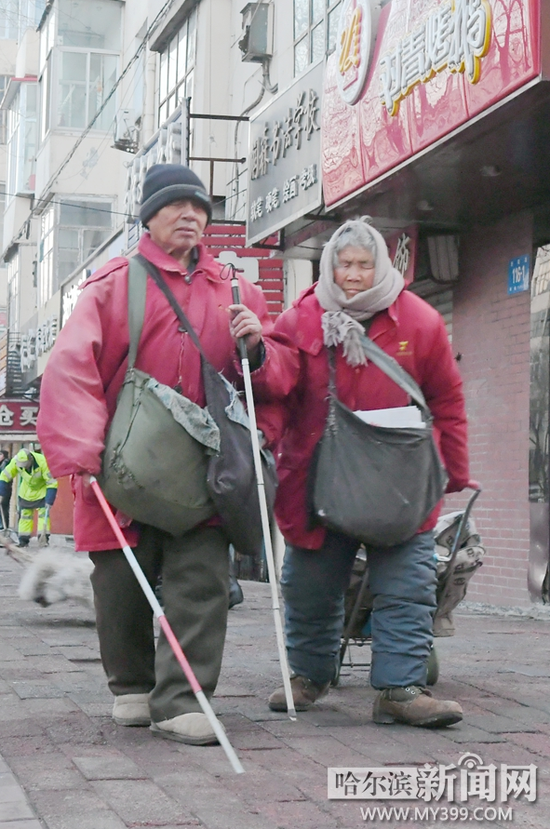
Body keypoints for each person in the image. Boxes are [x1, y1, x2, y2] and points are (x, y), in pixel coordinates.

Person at [36, 163, 295, 746]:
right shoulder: (111, 284)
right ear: (148, 217)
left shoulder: (237, 288)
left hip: (204, 467)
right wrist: (81, 451)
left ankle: (182, 699)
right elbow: (71, 369)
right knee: (121, 581)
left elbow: (274, 378)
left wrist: (258, 350)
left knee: (200, 579)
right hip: (121, 463)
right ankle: (131, 686)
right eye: (176, 206)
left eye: (199, 208)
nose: (190, 216)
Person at [258, 217, 473, 728]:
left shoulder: (419, 320)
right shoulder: (301, 317)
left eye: (363, 264)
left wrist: (453, 470)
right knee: (310, 586)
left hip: (400, 480)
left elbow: (447, 400)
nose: (353, 275)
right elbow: (276, 387)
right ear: (330, 265)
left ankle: (400, 689)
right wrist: (261, 431)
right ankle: (308, 676)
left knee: (408, 587)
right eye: (344, 264)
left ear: (382, 266)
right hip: (317, 480)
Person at [0, 448, 58, 547]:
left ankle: (43, 538)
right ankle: (23, 540)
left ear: (30, 460)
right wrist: (2, 493)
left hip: (41, 491)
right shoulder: (16, 461)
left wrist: (49, 500)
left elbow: (52, 482)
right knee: (25, 516)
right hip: (26, 492)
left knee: (43, 515)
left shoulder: (43, 462)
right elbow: (4, 476)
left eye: (25, 466)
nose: (24, 468)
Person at [0, 449, 12, 530]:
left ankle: (3, 526)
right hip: (4, 489)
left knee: (3, 508)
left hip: (4, 490)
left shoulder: (5, 463)